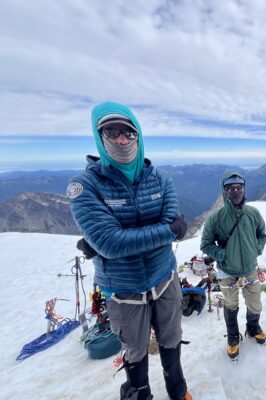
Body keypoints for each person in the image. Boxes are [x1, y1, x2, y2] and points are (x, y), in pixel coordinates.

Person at [67, 101, 191, 400]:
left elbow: (113, 242)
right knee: (135, 349)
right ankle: (139, 393)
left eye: (128, 133)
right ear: (100, 137)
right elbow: (110, 243)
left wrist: (117, 240)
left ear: (138, 136)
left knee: (172, 337)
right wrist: (167, 232)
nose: (122, 140)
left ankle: (178, 390)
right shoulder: (84, 186)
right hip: (123, 290)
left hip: (164, 279)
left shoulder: (160, 179)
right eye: (112, 132)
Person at [200, 171, 266, 360]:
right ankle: (232, 337)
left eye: (239, 188)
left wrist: (257, 249)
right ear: (225, 191)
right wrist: (222, 255)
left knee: (255, 302)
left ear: (244, 189)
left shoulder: (253, 213)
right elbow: (205, 244)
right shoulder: (216, 218)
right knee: (231, 305)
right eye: (231, 189)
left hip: (249, 269)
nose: (235, 192)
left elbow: (262, 234)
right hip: (227, 271)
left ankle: (253, 328)